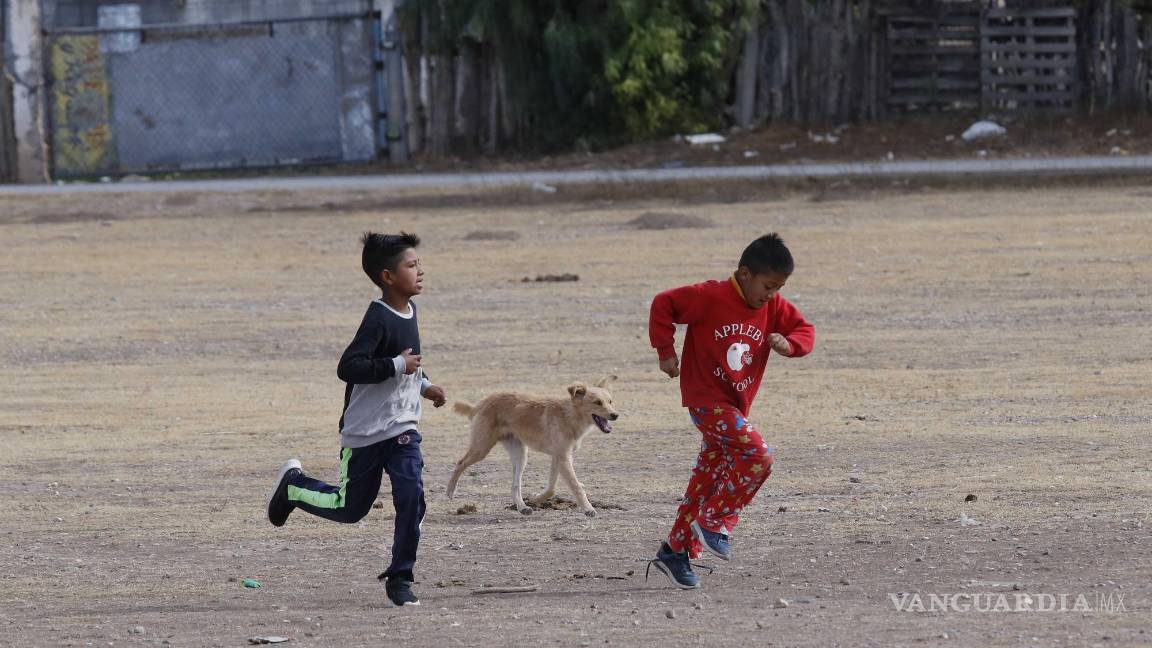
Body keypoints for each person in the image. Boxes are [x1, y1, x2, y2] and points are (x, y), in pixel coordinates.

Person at [265, 231, 446, 607]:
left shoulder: (411, 311)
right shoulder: (378, 317)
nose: (421, 271)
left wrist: (424, 385)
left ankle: (400, 577)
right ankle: (293, 487)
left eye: (419, 263)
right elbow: (349, 367)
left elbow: (406, 364)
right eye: (411, 266)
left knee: (412, 495)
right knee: (350, 510)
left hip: (403, 428)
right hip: (364, 433)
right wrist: (399, 365)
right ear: (388, 277)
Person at [646, 233, 815, 589]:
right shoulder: (709, 296)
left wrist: (790, 344)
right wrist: (665, 351)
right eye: (767, 285)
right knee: (759, 456)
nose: (771, 294)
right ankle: (715, 521)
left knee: (706, 480)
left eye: (778, 287)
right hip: (706, 401)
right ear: (744, 274)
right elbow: (663, 304)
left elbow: (804, 329)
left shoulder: (773, 306)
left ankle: (675, 551)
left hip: (733, 407)